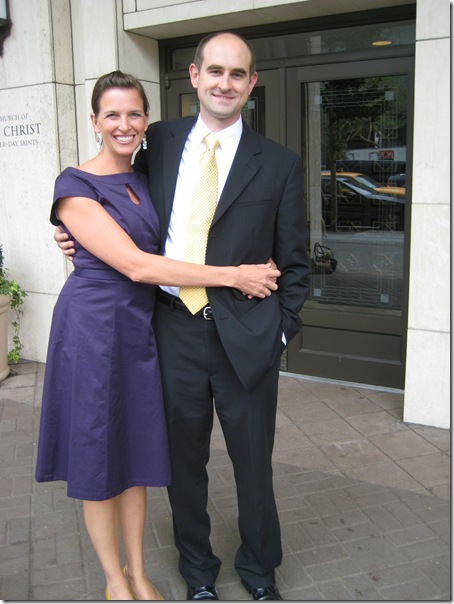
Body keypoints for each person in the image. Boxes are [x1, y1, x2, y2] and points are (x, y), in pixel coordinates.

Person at [57, 32, 310, 601]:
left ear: (252, 83)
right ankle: (198, 573)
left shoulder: (279, 164)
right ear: (194, 76)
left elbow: (296, 263)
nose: (225, 83)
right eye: (214, 71)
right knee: (182, 465)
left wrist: (279, 334)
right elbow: (117, 205)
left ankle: (260, 572)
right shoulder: (160, 143)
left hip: (248, 336)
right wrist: (71, 235)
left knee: (254, 464)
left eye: (237, 74)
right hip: (170, 329)